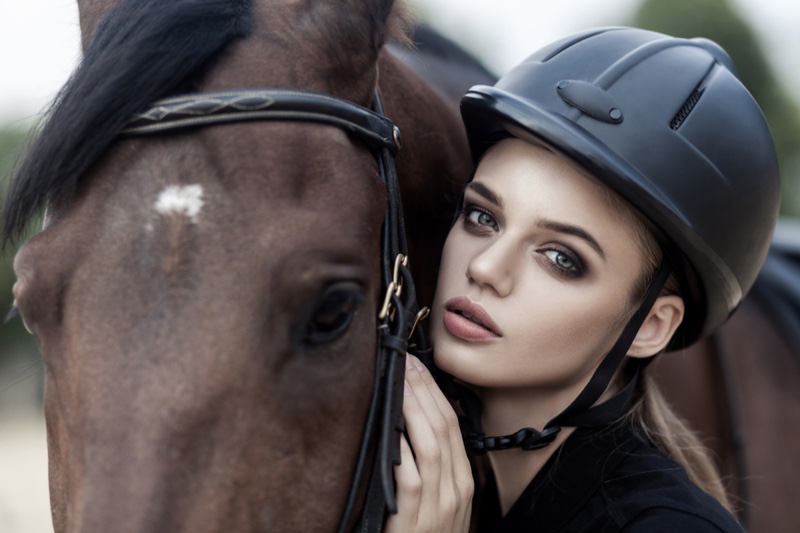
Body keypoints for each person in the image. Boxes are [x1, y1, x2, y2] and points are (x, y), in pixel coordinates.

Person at [385, 27, 780, 532]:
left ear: (650, 326)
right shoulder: (434, 480)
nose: (485, 268)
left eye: (560, 258)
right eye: (483, 218)